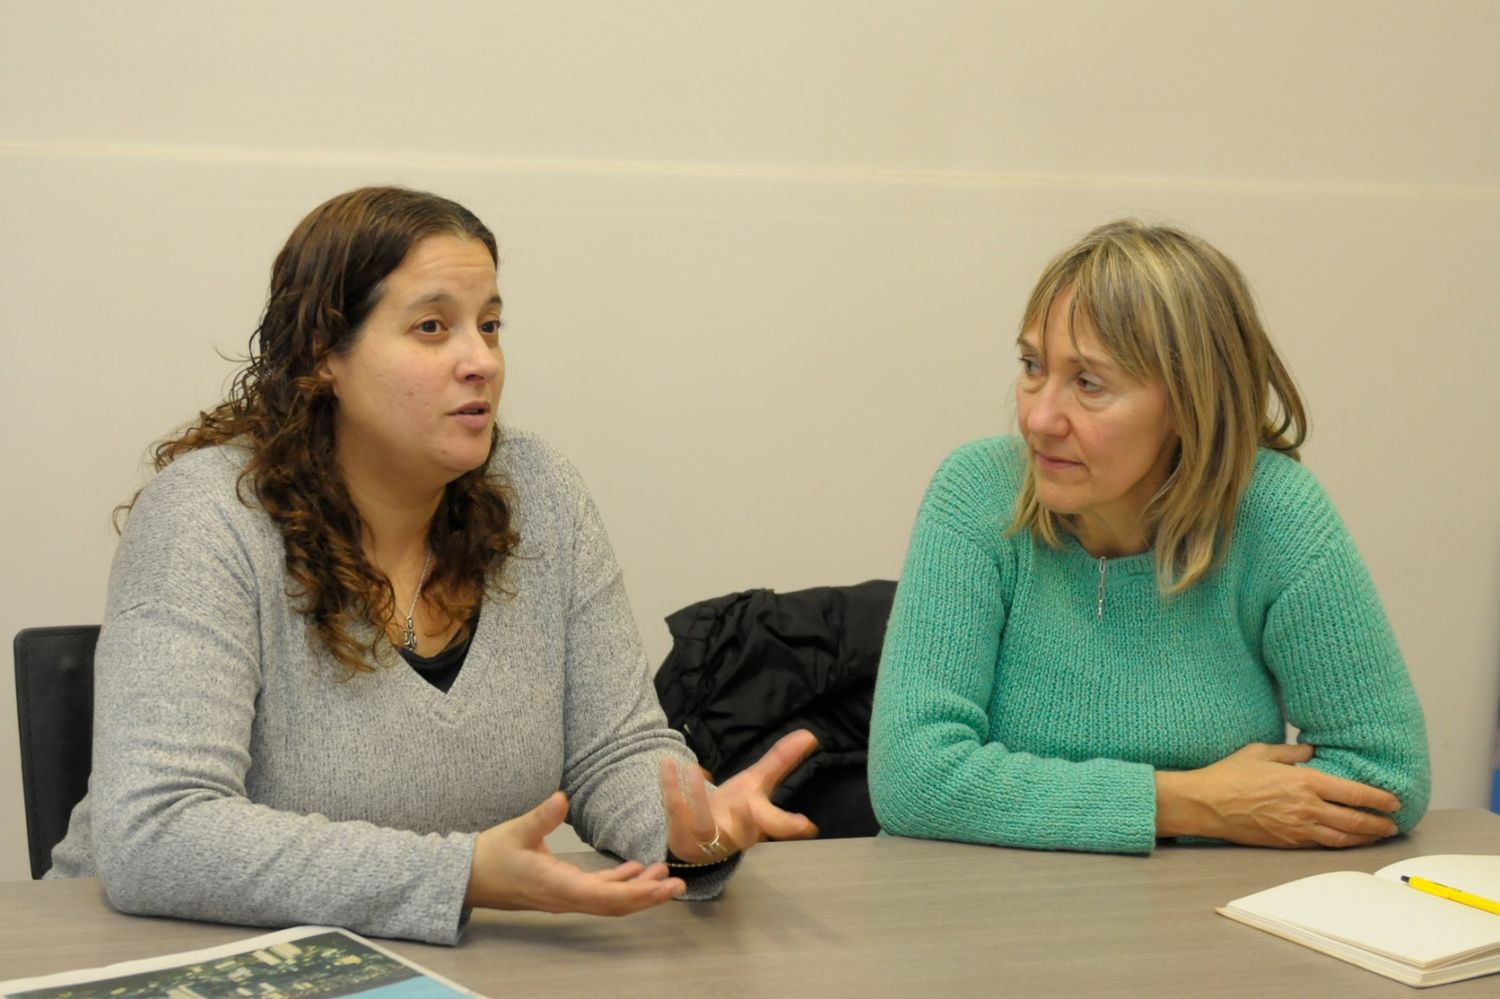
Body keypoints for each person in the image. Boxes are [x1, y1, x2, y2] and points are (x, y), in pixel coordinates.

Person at [47, 186, 817, 944]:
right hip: (146, 957)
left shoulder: (539, 492)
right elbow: (158, 831)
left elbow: (612, 751)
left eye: (490, 325)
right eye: (431, 327)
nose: (480, 360)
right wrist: (461, 873)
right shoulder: (209, 516)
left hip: (435, 965)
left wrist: (694, 831)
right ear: (325, 357)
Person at [868, 220, 1430, 854]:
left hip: (1204, 921)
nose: (1039, 417)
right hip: (994, 917)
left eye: (1089, 384)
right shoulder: (975, 493)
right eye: (1032, 366)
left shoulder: (1274, 513)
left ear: (1190, 404)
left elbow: (1387, 776)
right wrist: (1196, 802)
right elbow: (913, 779)